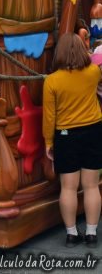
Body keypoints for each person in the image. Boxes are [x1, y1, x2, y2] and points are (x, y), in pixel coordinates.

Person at [43, 33, 102, 248]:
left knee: (68, 188)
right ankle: (92, 233)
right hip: (94, 131)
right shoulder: (93, 73)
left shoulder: (52, 81)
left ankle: (71, 234)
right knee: (91, 186)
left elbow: (49, 117)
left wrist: (48, 142)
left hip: (66, 135)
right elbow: (93, 60)